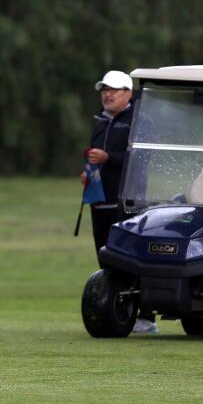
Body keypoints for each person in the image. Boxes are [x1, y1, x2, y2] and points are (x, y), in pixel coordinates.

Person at [81, 70, 155, 334]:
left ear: (128, 93)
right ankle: (118, 313)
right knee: (106, 260)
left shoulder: (139, 121)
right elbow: (94, 157)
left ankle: (145, 316)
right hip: (100, 203)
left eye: (113, 90)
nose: (107, 94)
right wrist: (88, 173)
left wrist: (108, 159)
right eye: (104, 90)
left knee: (131, 259)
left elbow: (142, 160)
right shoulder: (100, 123)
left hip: (127, 203)